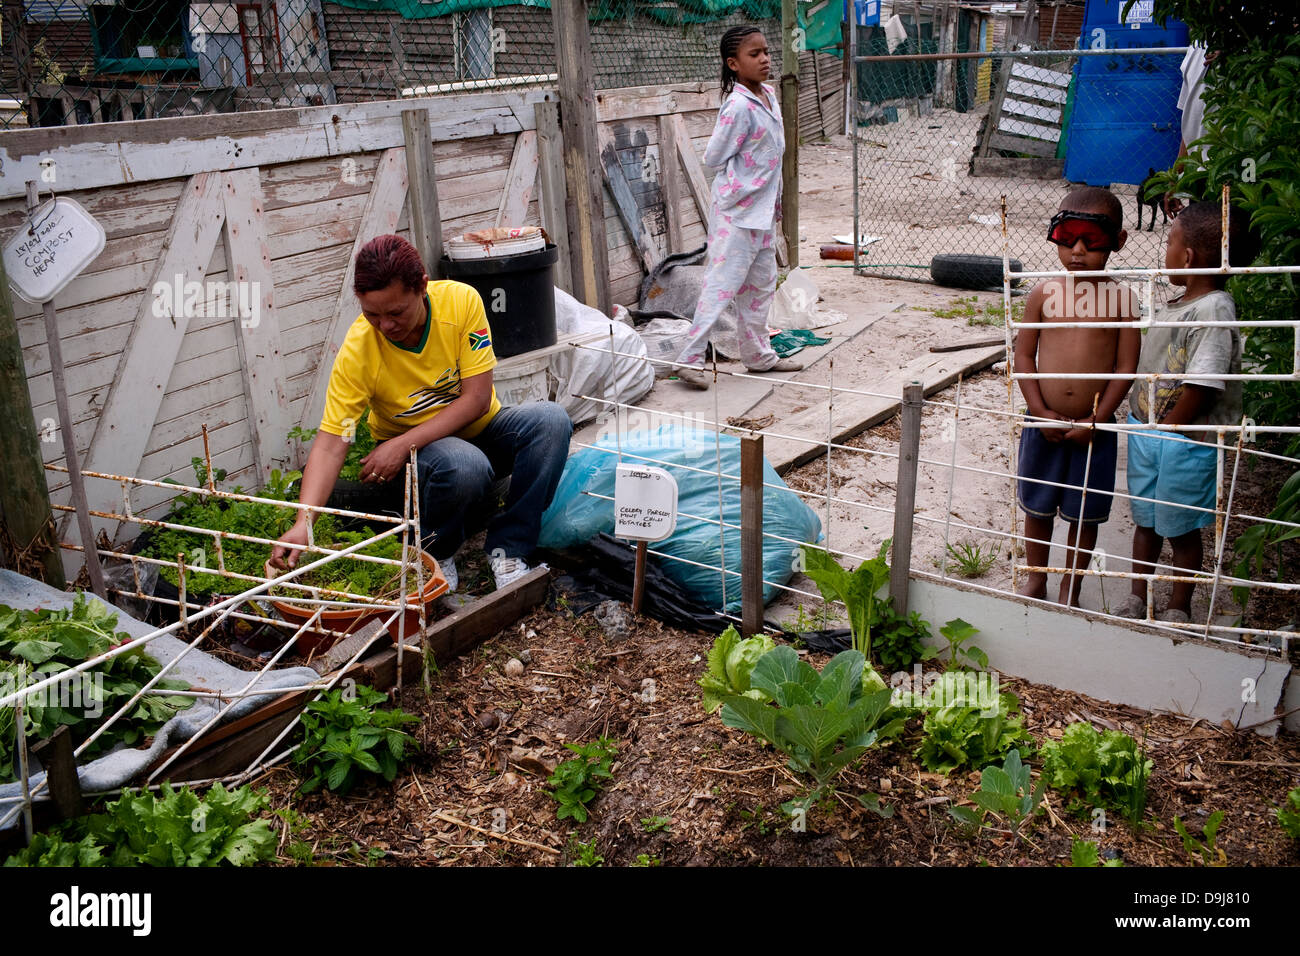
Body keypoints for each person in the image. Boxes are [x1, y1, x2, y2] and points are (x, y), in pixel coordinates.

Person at [270, 234, 572, 592]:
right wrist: (304, 521)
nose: (385, 326)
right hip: (424, 460)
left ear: (423, 287)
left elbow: (476, 399)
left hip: (477, 428)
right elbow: (334, 441)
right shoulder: (358, 352)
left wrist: (399, 444)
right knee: (464, 464)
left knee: (552, 421)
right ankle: (434, 550)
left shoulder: (461, 303)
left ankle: (509, 549)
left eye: (396, 312)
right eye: (372, 315)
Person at [1115, 202, 1258, 624]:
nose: (1167, 251)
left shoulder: (1213, 307)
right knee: (1144, 518)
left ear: (1189, 256)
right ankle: (1137, 595)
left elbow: (1204, 380)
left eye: (1170, 241)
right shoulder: (1181, 302)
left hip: (1184, 439)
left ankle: (1179, 603)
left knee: (1181, 525)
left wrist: (1171, 426)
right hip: (1151, 430)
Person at [1014, 187, 1140, 606]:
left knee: (1084, 513)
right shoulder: (1041, 294)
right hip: (1042, 423)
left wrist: (1098, 418)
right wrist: (1039, 411)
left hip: (1094, 429)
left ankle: (1072, 584)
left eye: (1093, 241)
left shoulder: (1123, 301)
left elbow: (1126, 367)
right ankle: (1037, 578)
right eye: (1068, 238)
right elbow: (1023, 355)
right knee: (1038, 507)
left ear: (1117, 242)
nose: (1078, 251)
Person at [675, 24, 804, 389]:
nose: (765, 59)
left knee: (761, 285)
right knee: (721, 285)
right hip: (736, 213)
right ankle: (688, 359)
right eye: (754, 54)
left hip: (762, 214)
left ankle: (758, 355)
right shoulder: (737, 106)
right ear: (733, 63)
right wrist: (747, 172)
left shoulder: (768, 95)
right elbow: (714, 155)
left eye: (766, 52)